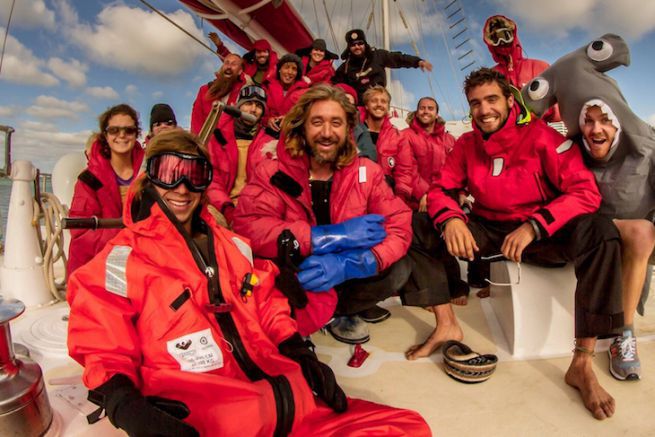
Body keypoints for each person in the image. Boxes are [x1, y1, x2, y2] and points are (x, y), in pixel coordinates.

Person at [67, 129, 430, 436]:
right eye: (169, 172)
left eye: (194, 175)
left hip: (290, 404)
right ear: (151, 176)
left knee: (409, 427)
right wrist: (124, 403)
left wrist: (298, 352)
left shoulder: (233, 246)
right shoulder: (122, 257)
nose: (181, 188)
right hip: (209, 417)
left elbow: (264, 300)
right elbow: (101, 335)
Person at [428, 67, 624, 420]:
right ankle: (446, 321)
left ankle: (582, 362)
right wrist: (453, 218)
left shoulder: (543, 136)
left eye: (491, 100)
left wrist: (536, 225)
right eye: (475, 103)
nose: (484, 110)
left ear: (509, 99)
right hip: (490, 230)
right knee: (421, 224)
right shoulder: (466, 145)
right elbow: (441, 189)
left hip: (541, 233)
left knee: (601, 232)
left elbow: (585, 192)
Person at [233, 84, 448, 350]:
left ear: (348, 130)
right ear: (302, 127)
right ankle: (291, 318)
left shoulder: (367, 172)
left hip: (344, 279)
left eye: (336, 123)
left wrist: (355, 262)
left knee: (398, 266)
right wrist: (322, 238)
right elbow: (248, 226)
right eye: (317, 122)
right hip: (294, 277)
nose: (326, 132)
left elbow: (398, 224)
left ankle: (339, 311)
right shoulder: (273, 171)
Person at [400, 97, 469, 305]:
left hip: (444, 199)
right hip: (416, 201)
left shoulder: (449, 140)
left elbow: (459, 170)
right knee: (422, 248)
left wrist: (462, 192)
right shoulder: (406, 137)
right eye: (422, 108)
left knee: (445, 243)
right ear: (417, 111)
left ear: (437, 113)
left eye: (430, 108)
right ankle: (427, 295)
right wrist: (425, 194)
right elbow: (407, 170)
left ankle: (455, 286)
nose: (425, 111)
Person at [67, 104, 144, 276]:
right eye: (114, 130)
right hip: (97, 265)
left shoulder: (150, 173)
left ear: (137, 134)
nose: (122, 135)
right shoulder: (88, 180)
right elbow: (81, 233)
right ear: (105, 135)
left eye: (129, 130)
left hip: (141, 262)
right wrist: (128, 237)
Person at [206, 85, 274, 225]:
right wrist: (227, 209)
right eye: (248, 104)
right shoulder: (218, 137)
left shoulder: (269, 142)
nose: (253, 110)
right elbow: (212, 180)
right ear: (238, 107)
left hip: (255, 209)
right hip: (223, 207)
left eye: (258, 106)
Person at [483, 14, 560, 122]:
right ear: (490, 42)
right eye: (495, 38)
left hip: (537, 132)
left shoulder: (541, 67)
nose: (501, 41)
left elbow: (558, 112)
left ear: (513, 34)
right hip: (505, 136)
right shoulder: (489, 76)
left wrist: (536, 110)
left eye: (505, 35)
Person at [333, 28, 432, 102]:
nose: (357, 47)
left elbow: (398, 58)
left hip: (378, 103)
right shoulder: (345, 68)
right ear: (349, 47)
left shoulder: (378, 55)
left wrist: (418, 62)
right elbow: (335, 85)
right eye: (353, 45)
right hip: (358, 109)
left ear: (365, 44)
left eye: (360, 43)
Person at [360, 86, 413, 199]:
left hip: (386, 196)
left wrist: (399, 199)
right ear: (366, 106)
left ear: (388, 107)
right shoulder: (355, 131)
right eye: (374, 101)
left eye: (383, 101)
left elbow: (404, 171)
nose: (379, 104)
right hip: (357, 194)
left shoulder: (398, 137)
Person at [190, 53, 251, 135]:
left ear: (240, 71)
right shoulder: (205, 90)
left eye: (233, 64)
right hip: (205, 140)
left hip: (232, 141)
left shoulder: (245, 92)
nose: (229, 67)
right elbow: (196, 119)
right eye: (226, 63)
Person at [263, 53, 310, 137]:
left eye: (294, 69)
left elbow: (307, 116)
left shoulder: (305, 92)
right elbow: (260, 111)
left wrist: (290, 119)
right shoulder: (266, 87)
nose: (289, 72)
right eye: (286, 67)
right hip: (267, 133)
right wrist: (267, 120)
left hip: (292, 135)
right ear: (279, 69)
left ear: (297, 73)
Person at [210, 32, 278, 86]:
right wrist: (219, 45)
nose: (262, 55)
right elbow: (232, 61)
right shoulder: (247, 66)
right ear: (254, 54)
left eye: (264, 51)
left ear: (269, 52)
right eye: (258, 52)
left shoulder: (278, 69)